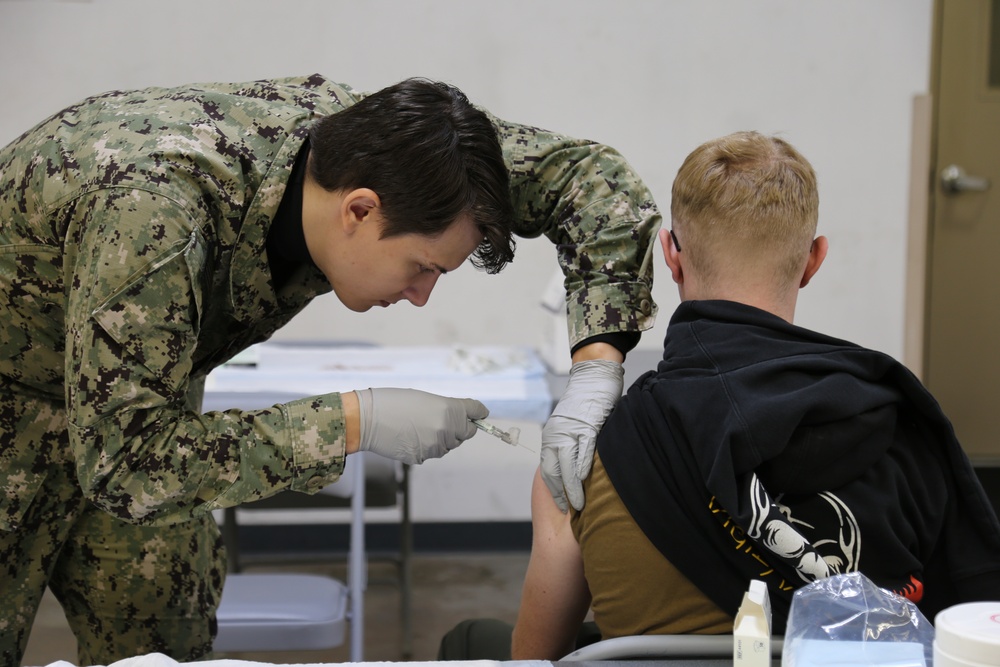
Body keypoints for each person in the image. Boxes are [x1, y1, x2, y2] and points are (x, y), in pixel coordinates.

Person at [0, 74, 659, 665]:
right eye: (423, 267)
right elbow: (127, 461)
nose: (423, 295)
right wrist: (352, 418)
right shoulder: (153, 213)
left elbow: (588, 179)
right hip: (21, 407)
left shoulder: (403, 154)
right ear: (360, 211)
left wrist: (596, 371)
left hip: (136, 402)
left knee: (161, 642)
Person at [440, 130, 1000, 661]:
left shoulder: (592, 454)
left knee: (470, 640)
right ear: (813, 260)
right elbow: (966, 632)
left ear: (671, 256)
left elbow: (535, 661)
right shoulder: (905, 427)